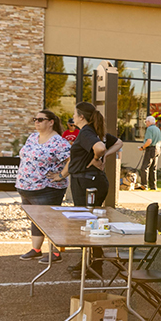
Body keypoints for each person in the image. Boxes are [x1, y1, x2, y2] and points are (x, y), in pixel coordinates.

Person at [50, 102, 109, 276]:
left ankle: (95, 266)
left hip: (88, 183)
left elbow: (100, 148)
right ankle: (87, 262)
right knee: (87, 223)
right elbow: (76, 160)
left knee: (89, 223)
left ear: (81, 116)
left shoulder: (86, 132)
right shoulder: (87, 132)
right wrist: (61, 175)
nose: (73, 117)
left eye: (75, 114)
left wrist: (98, 158)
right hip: (84, 181)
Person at [16, 110, 71, 264]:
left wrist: (60, 176)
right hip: (26, 187)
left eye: (40, 119)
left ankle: (56, 252)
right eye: (35, 119)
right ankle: (36, 249)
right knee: (36, 219)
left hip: (47, 188)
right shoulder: (33, 137)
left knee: (50, 220)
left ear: (51, 122)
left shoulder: (58, 142)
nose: (36, 122)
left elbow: (71, 160)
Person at [137, 116, 161, 190]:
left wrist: (142, 147)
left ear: (149, 122)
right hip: (157, 149)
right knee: (153, 168)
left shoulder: (149, 129)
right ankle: (153, 186)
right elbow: (160, 142)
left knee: (144, 167)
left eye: (146, 122)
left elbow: (149, 141)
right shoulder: (157, 129)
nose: (146, 123)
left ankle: (144, 185)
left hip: (150, 149)